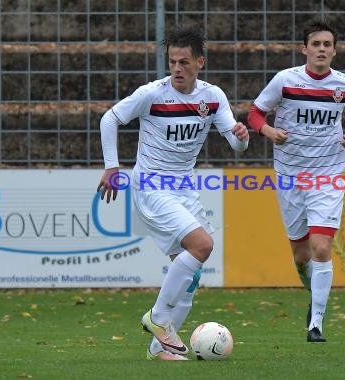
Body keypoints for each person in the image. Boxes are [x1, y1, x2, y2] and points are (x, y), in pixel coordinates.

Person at [97, 27, 249, 361]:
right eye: (172, 62)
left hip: (184, 188)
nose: (177, 68)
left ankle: (159, 350)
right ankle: (157, 318)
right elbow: (109, 119)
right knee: (203, 245)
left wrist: (242, 135)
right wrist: (112, 167)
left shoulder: (213, 97)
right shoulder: (152, 94)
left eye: (184, 62)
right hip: (152, 185)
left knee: (190, 277)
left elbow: (236, 145)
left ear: (200, 62)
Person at [247, 20, 345, 342]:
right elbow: (255, 114)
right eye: (316, 44)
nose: (322, 50)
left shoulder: (344, 85)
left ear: (334, 50)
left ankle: (316, 323)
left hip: (328, 175)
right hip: (289, 177)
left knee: (322, 246)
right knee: (301, 255)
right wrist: (269, 131)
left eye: (328, 45)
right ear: (305, 49)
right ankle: (312, 288)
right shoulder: (285, 81)